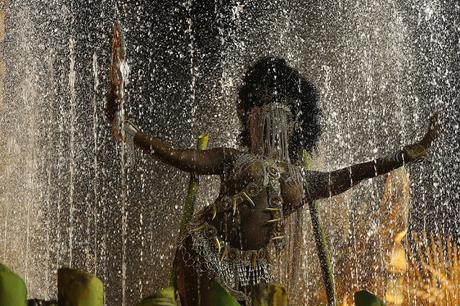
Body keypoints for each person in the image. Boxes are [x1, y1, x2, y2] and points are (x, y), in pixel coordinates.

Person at [106, 25, 440, 306]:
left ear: (296, 125)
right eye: (258, 111)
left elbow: (352, 174)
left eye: (277, 113)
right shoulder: (235, 160)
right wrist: (129, 131)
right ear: (247, 120)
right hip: (207, 254)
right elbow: (178, 156)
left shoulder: (301, 180)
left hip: (255, 270)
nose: (266, 119)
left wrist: (401, 157)